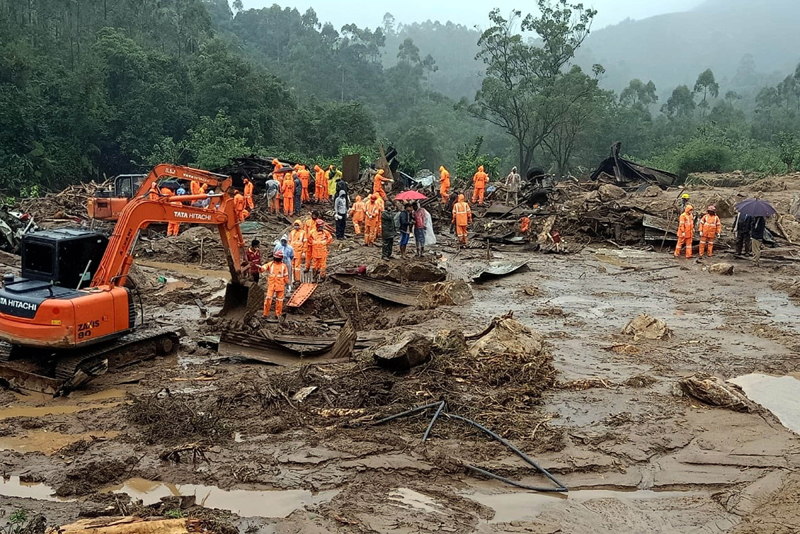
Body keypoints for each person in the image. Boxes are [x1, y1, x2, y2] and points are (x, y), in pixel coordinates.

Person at [261, 250, 289, 319]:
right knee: (268, 299)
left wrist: (287, 283)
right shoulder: (271, 264)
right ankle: (265, 314)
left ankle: (278, 314)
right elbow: (264, 267)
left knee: (279, 301)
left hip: (279, 285)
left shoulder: (283, 266)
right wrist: (261, 268)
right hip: (272, 285)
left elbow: (286, 276)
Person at [289, 221, 307, 285]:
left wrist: (304, 252)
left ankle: (298, 279)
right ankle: (293, 279)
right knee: (292, 266)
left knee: (297, 267)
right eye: (295, 225)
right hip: (292, 252)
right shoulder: (292, 232)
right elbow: (289, 241)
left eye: (297, 225)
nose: (296, 226)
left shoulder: (303, 233)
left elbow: (305, 243)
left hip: (299, 252)